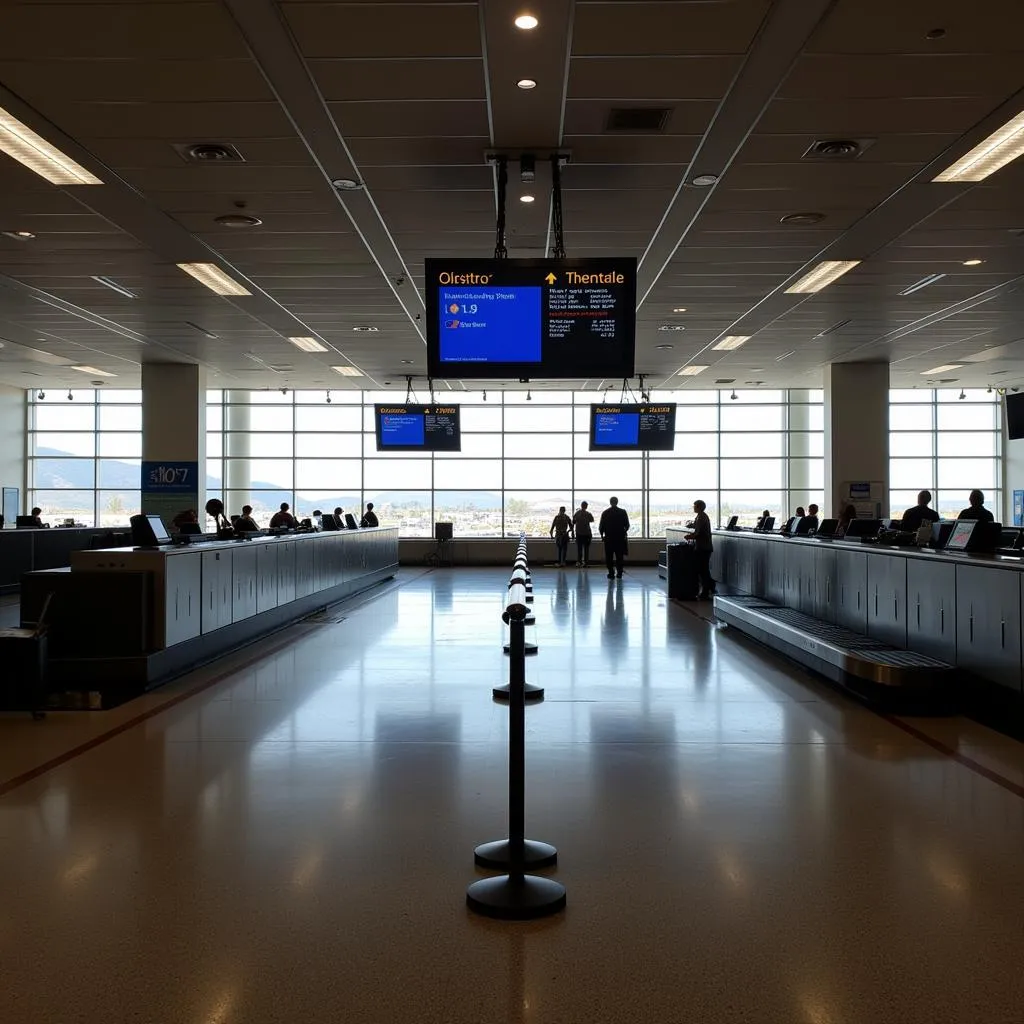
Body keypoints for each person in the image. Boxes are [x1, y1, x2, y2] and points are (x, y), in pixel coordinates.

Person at [684, 499, 715, 599]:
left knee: (702, 569)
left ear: (699, 507)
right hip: (703, 547)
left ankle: (707, 589)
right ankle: (709, 586)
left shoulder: (701, 517)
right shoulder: (700, 516)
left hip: (703, 547)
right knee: (703, 568)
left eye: (694, 506)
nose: (693, 507)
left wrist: (690, 536)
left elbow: (699, 533)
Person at [599, 496, 630, 579]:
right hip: (619, 538)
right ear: (617, 502)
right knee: (619, 556)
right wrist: (623, 532)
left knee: (609, 556)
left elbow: (601, 526)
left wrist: (602, 536)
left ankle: (611, 573)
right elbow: (627, 525)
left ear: (610, 502)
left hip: (609, 538)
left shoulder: (605, 513)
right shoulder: (622, 512)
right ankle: (619, 572)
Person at [572, 500, 595, 566]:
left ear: (581, 506)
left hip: (579, 533)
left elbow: (573, 522)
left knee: (579, 549)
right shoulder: (588, 514)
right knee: (586, 549)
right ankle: (586, 562)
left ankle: (579, 562)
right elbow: (592, 520)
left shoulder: (577, 513)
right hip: (587, 533)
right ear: (586, 506)